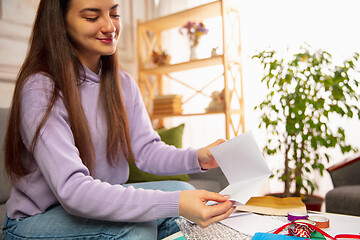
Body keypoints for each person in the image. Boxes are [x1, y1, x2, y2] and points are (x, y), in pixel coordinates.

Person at [2, 0, 235, 239]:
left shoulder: (123, 83)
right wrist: (174, 203)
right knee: (137, 228)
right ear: (60, 23)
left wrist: (199, 158)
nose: (109, 26)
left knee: (184, 190)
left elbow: (147, 151)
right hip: (37, 219)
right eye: (92, 18)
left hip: (97, 204)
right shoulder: (40, 89)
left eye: (114, 14)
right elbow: (72, 191)